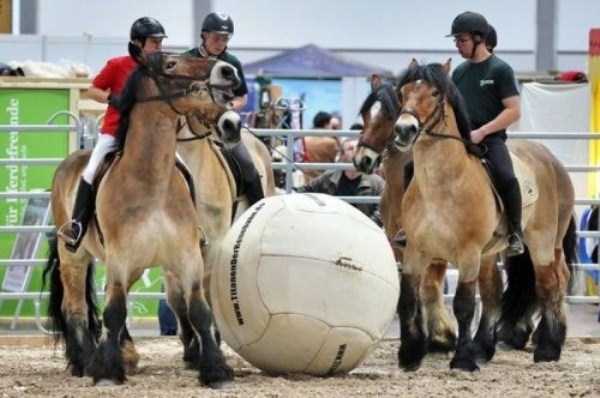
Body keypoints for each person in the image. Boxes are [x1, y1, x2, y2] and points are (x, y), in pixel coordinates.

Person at [57, 17, 167, 252]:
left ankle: (191, 225)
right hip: (116, 132)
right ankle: (77, 226)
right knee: (90, 169)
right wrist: (111, 99)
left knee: (181, 165)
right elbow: (91, 90)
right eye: (154, 42)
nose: (159, 47)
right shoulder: (117, 65)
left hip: (151, 136)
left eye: (160, 42)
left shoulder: (162, 69)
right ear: (138, 43)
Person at [448, 11, 523, 256]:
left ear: (479, 39)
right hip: (459, 139)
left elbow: (513, 111)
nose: (458, 46)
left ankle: (515, 232)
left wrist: (482, 131)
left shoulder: (500, 70)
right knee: (412, 168)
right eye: (456, 41)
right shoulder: (458, 73)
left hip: (489, 139)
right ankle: (410, 225)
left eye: (462, 40)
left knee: (507, 177)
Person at [186, 12, 264, 205]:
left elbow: (241, 97)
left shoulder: (232, 62)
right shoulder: (187, 59)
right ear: (204, 35)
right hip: (190, 123)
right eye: (216, 37)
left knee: (246, 164)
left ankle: (258, 208)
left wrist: (226, 107)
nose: (220, 42)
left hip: (221, 125)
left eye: (225, 38)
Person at [296, 138, 384, 223]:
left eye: (358, 148)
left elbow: (385, 208)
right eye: (350, 148)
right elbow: (304, 192)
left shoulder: (376, 182)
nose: (356, 151)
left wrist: (370, 225)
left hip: (364, 232)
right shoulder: (329, 177)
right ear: (342, 155)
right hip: (334, 229)